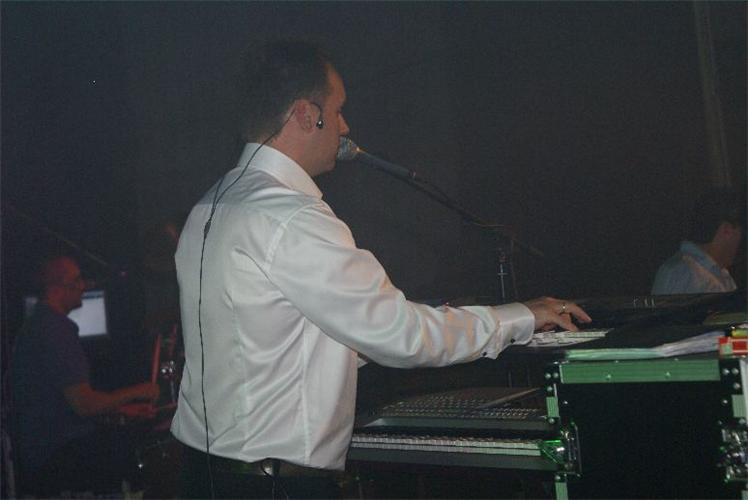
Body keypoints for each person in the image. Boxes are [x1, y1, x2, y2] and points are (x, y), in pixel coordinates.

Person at [171, 40, 590, 498]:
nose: (346, 126)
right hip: (274, 486)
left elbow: (278, 340)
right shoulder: (291, 217)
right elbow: (400, 335)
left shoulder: (211, 205)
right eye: (338, 110)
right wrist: (518, 317)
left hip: (205, 476)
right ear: (307, 115)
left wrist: (419, 321)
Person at [9, 255, 159, 495]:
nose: (84, 285)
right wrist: (139, 390)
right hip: (56, 456)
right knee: (134, 450)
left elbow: (62, 405)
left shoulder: (39, 324)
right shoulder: (54, 330)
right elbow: (84, 405)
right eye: (77, 280)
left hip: (44, 452)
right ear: (56, 288)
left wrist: (121, 410)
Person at [652, 188, 745, 295]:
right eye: (741, 232)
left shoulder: (717, 274)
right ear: (727, 230)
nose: (742, 240)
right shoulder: (687, 274)